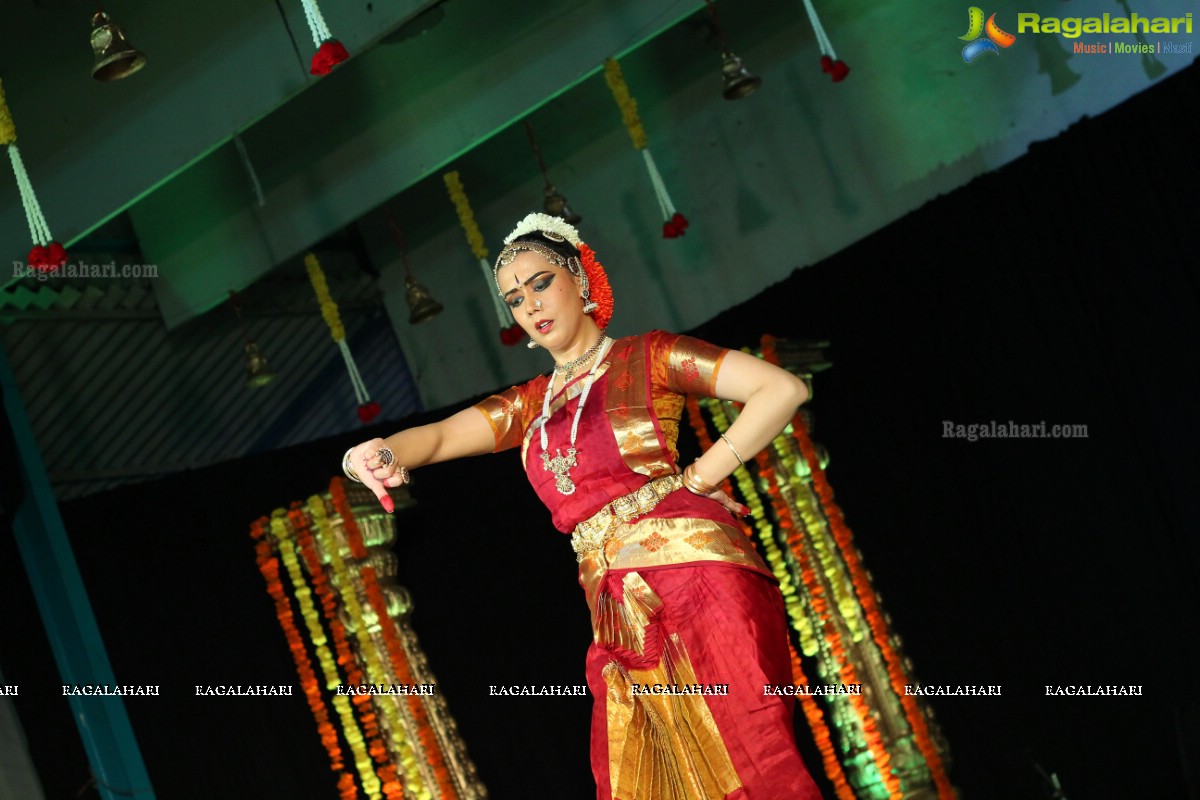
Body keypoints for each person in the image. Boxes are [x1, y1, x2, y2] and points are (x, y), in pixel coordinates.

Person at [343, 213, 824, 799]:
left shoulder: (651, 356)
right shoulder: (529, 407)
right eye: (514, 299)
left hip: (697, 579)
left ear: (582, 279)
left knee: (752, 761)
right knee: (639, 783)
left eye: (540, 283)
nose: (530, 305)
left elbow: (782, 389)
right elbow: (438, 439)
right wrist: (377, 451)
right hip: (613, 609)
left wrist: (698, 479)